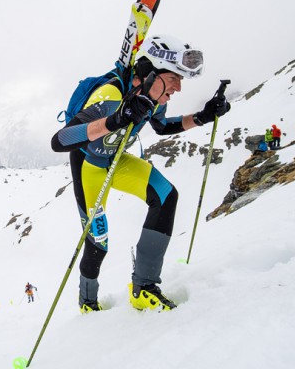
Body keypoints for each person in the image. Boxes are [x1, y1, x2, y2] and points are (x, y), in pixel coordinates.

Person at [51, 34, 230, 313]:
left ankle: (143, 287)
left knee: (166, 195)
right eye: (175, 79)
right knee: (98, 244)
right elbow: (60, 140)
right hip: (90, 167)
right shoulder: (109, 95)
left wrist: (201, 117)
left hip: (115, 160)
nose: (179, 88)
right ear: (153, 74)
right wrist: (115, 119)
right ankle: (87, 303)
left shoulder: (155, 98)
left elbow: (161, 127)